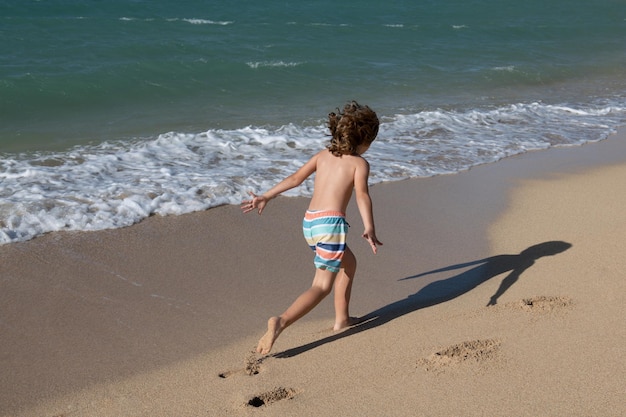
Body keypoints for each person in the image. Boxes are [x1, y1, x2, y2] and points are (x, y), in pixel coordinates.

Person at [241, 101, 383, 354]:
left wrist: (266, 196)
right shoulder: (359, 164)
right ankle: (281, 322)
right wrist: (369, 227)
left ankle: (342, 320)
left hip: (310, 222)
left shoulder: (322, 155)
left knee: (348, 263)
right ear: (364, 140)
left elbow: (295, 179)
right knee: (321, 286)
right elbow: (362, 195)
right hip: (331, 225)